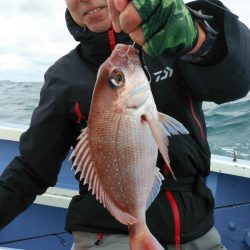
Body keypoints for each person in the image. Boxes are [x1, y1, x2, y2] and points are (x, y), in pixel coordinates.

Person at [0, 0, 250, 249]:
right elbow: (30, 170)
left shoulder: (174, 39)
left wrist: (201, 41)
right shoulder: (63, 77)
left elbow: (235, 83)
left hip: (198, 230)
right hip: (106, 234)